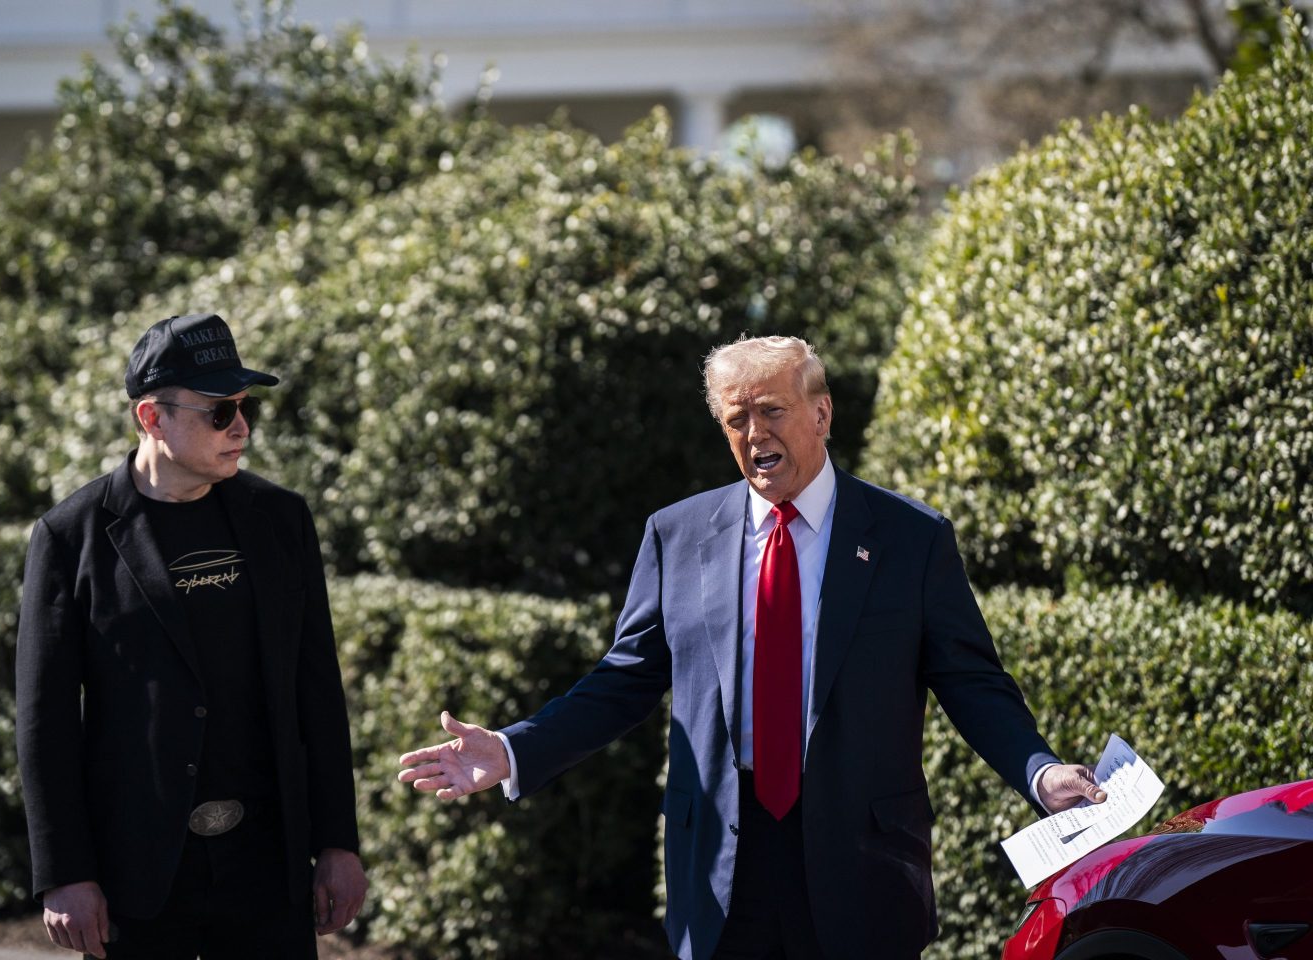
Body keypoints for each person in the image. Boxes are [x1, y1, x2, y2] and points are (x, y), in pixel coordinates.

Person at [397, 335, 1105, 960]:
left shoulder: (909, 538)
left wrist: (1040, 773)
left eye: (771, 411)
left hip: (862, 866)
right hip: (720, 870)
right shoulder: (676, 535)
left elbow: (970, 680)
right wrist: (515, 748)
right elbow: (623, 680)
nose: (753, 431)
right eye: (736, 419)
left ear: (821, 414)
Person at [16, 313, 367, 959]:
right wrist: (65, 872)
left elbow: (317, 690)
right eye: (219, 411)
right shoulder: (70, 537)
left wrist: (339, 842)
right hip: (139, 877)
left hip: (270, 870)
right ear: (152, 417)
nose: (242, 427)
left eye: (245, 406)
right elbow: (46, 722)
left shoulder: (282, 520)